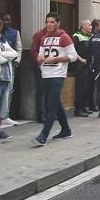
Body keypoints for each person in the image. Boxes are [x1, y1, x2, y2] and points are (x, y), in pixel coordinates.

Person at [32, 13, 77, 146]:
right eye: (47, 22)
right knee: (55, 103)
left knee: (50, 105)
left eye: (52, 22)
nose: (49, 24)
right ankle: (66, 129)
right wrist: (39, 59)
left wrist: (56, 59)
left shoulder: (64, 37)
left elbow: (73, 56)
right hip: (45, 73)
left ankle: (43, 135)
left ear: (58, 23)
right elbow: (40, 55)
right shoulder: (44, 38)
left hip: (58, 74)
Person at [1, 13, 22, 126]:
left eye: (8, 20)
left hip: (11, 65)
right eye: (4, 20)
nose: (6, 22)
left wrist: (17, 61)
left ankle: (6, 115)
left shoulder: (15, 32)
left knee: (9, 90)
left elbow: (18, 48)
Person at [73, 20, 93, 116]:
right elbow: (72, 50)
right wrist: (81, 59)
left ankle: (84, 106)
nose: (91, 27)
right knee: (80, 88)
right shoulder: (77, 36)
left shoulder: (89, 36)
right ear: (83, 26)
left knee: (86, 87)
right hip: (80, 66)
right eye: (89, 25)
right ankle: (78, 109)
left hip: (88, 66)